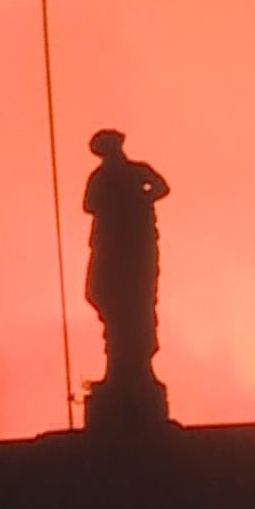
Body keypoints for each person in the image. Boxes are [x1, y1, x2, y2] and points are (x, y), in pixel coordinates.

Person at [82, 129, 171, 423]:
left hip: (133, 255)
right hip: (112, 254)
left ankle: (133, 371)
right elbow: (89, 204)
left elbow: (162, 187)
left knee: (133, 312)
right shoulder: (107, 178)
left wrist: (140, 199)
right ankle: (120, 370)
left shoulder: (134, 173)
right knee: (108, 303)